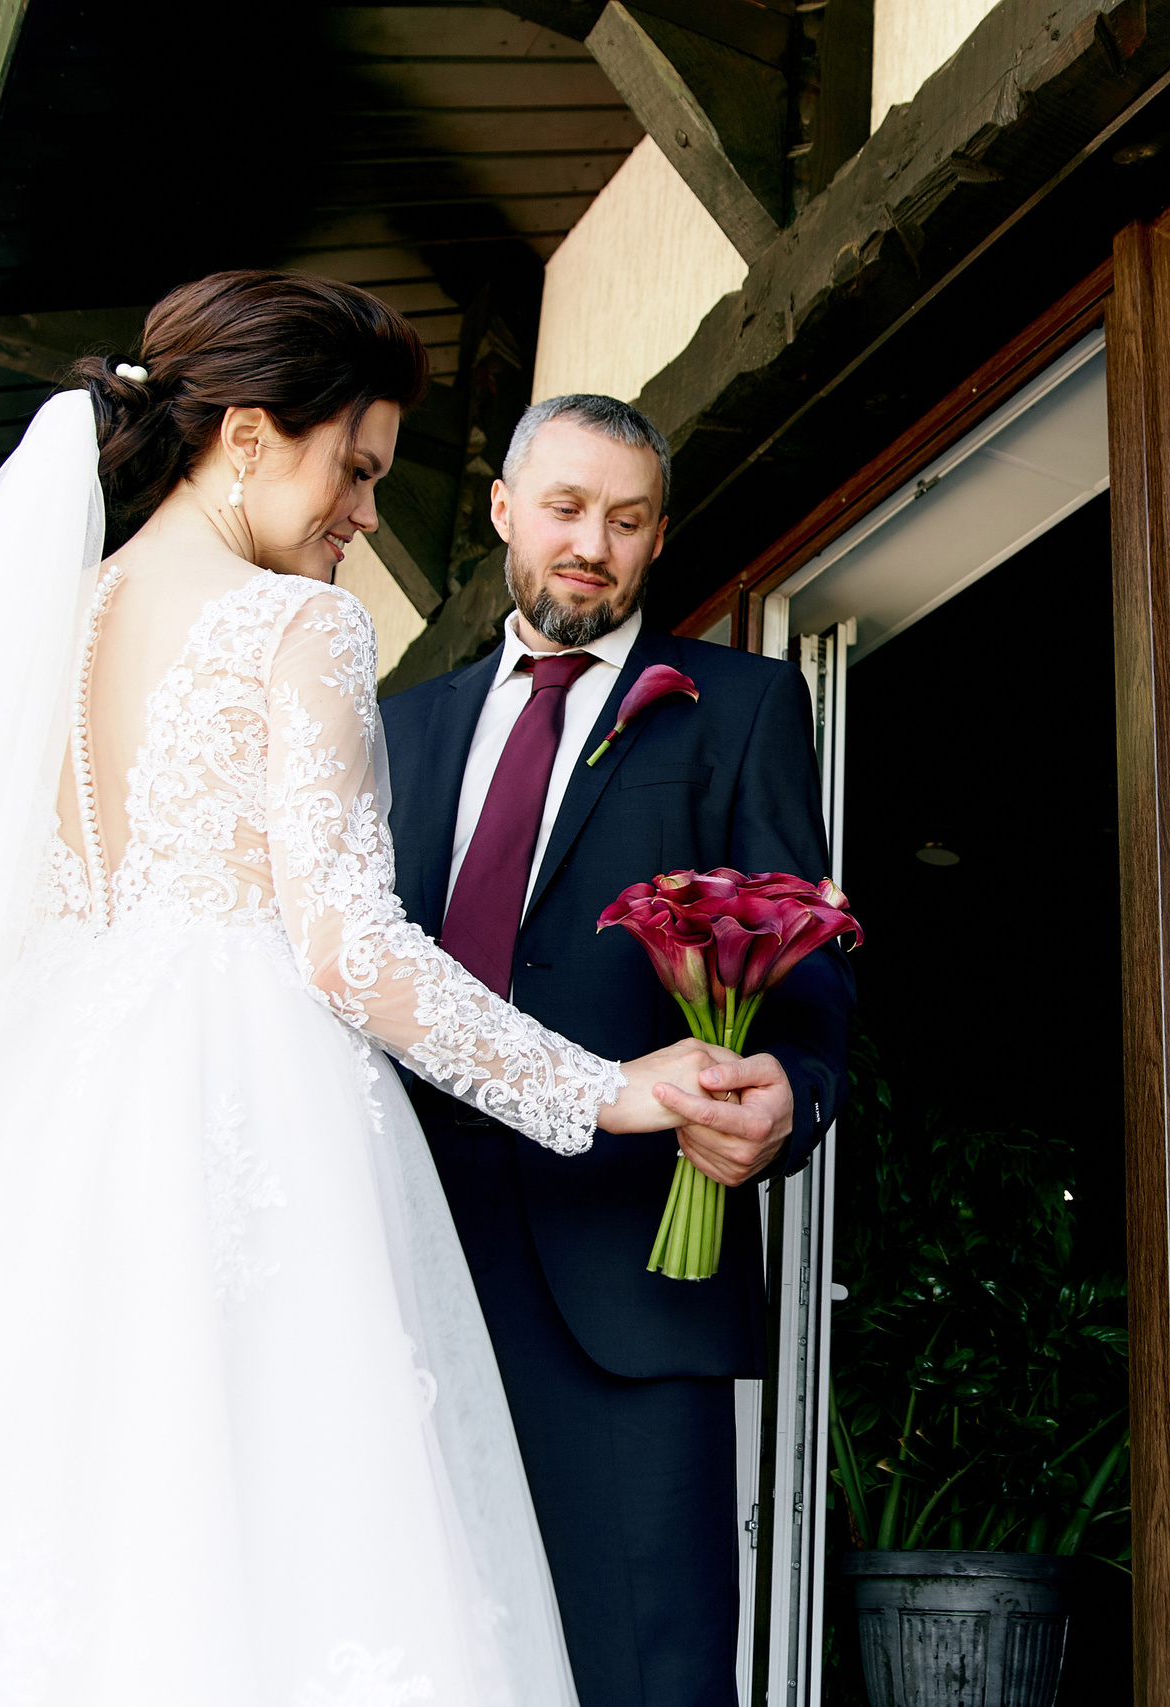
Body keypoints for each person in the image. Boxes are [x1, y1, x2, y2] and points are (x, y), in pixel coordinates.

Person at [0, 273, 730, 1703]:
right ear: (255, 434)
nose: (362, 514)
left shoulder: (49, 625)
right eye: (356, 469)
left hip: (42, 1124)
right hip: (240, 1116)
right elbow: (352, 946)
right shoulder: (299, 627)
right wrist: (605, 1087)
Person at [379, 394, 851, 1707]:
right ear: (503, 509)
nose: (594, 543)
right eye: (569, 508)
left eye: (628, 520)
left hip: (628, 1275)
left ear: (655, 538)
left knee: (646, 1669)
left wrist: (792, 1097)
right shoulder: (389, 729)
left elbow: (805, 971)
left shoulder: (742, 705)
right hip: (393, 1261)